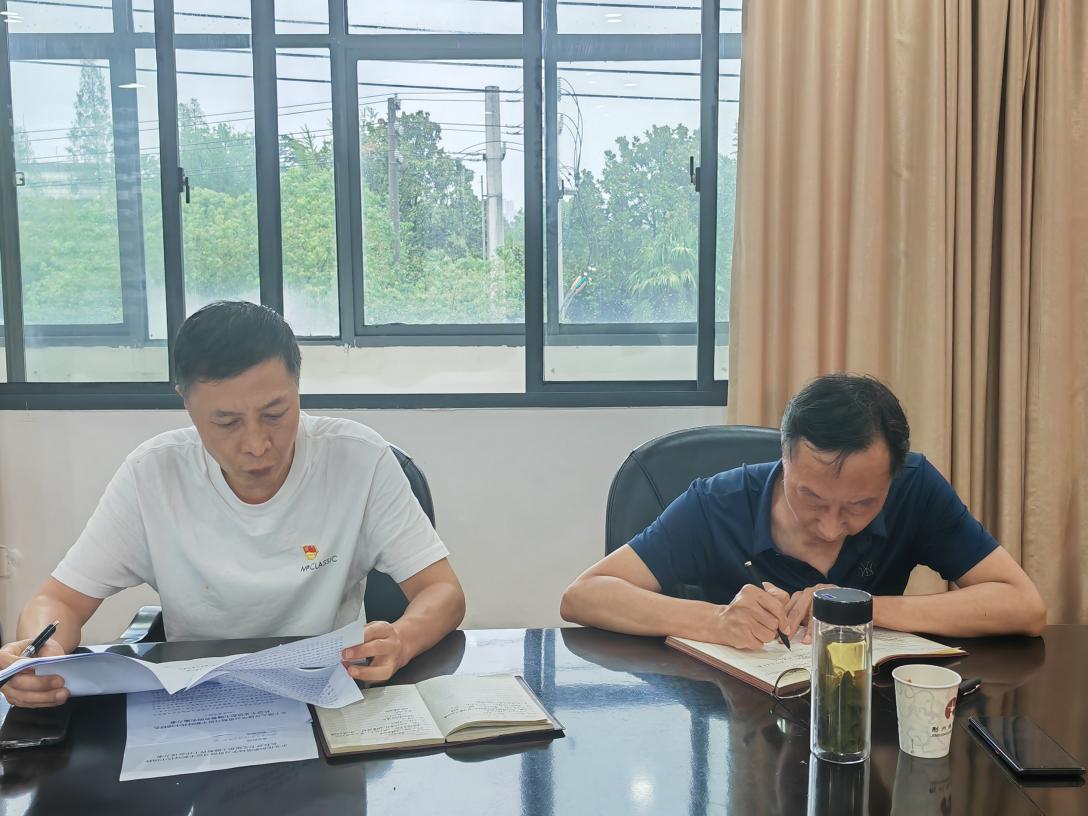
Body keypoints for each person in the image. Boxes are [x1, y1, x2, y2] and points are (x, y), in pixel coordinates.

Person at [1, 301, 465, 708]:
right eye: (226, 422)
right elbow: (57, 601)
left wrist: (402, 639)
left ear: (297, 387)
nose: (257, 445)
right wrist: (39, 653)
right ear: (186, 403)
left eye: (275, 414)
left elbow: (442, 592)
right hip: (199, 703)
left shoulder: (359, 460)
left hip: (330, 696)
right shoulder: (153, 475)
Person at [561, 374, 1046, 649]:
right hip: (737, 727)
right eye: (811, 498)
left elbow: (1023, 606)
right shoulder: (719, 503)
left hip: (868, 723)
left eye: (860, 505)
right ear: (784, 459)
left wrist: (859, 607)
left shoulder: (915, 487)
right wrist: (716, 621)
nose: (832, 527)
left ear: (892, 477)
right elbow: (583, 596)